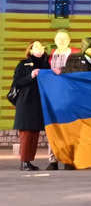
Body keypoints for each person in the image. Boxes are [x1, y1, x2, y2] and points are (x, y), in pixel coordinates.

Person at [13, 41, 50, 170]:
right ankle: (24, 162)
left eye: (42, 46)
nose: (40, 48)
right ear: (30, 50)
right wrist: (31, 75)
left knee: (34, 134)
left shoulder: (46, 64)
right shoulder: (23, 64)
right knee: (26, 134)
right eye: (36, 46)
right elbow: (17, 82)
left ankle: (28, 161)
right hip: (26, 103)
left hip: (39, 104)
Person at [46, 29, 79, 170]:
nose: (61, 41)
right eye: (59, 38)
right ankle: (53, 160)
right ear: (54, 40)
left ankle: (69, 160)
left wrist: (62, 71)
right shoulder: (50, 56)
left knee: (70, 128)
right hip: (52, 97)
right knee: (52, 128)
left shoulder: (76, 53)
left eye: (64, 38)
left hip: (70, 96)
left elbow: (79, 71)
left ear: (69, 40)